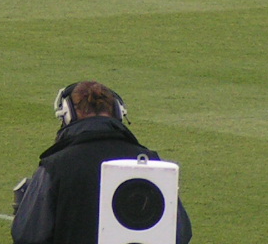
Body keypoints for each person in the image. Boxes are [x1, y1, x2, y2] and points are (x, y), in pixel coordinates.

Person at [11, 80, 192, 244]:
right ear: (118, 112)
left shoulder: (55, 166)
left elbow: (27, 235)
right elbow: (180, 234)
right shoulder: (150, 163)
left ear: (68, 115)